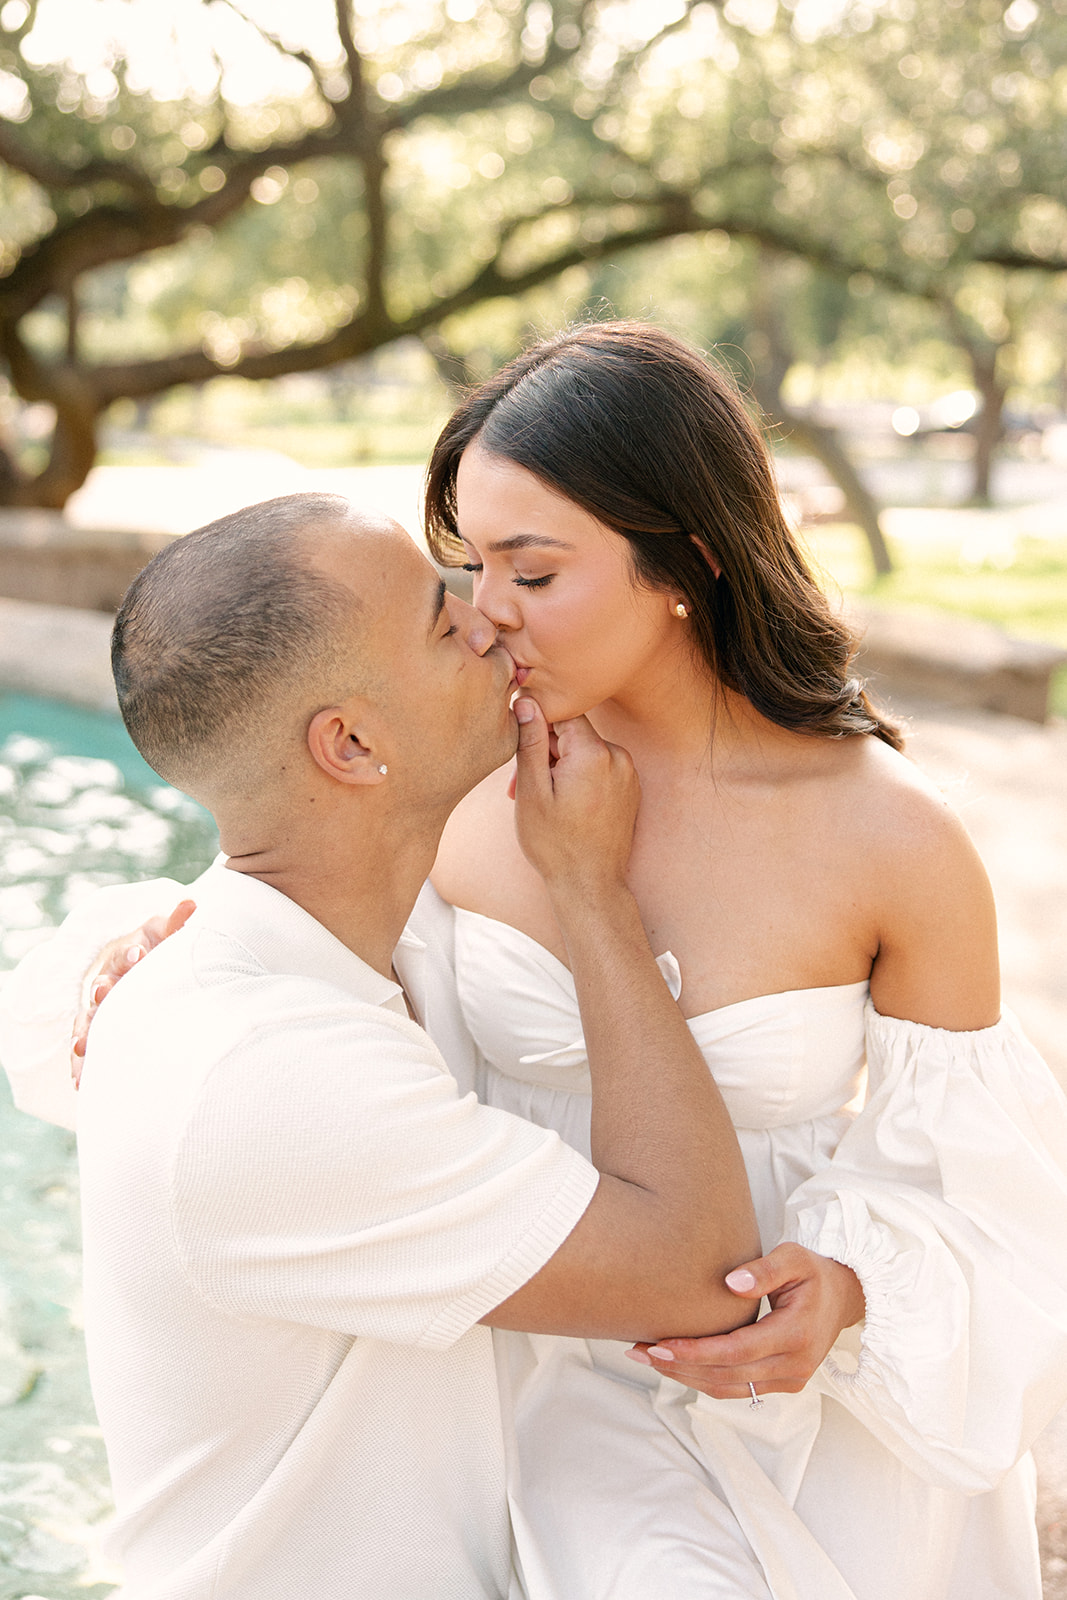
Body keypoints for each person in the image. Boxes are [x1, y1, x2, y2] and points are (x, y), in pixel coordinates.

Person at [6, 325, 1067, 1599]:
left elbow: (990, 1193)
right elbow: (305, 869)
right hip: (513, 1351)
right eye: (465, 564)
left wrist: (847, 1290)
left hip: (769, 1390)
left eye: (533, 571)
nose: (485, 612)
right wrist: (143, 939)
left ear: (689, 563)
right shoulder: (457, 768)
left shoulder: (888, 836)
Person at [0, 491, 759, 1599]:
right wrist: (591, 894)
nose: (489, 617)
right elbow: (699, 1272)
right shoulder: (268, 1073)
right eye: (443, 623)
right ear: (351, 743)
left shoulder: (362, 939)